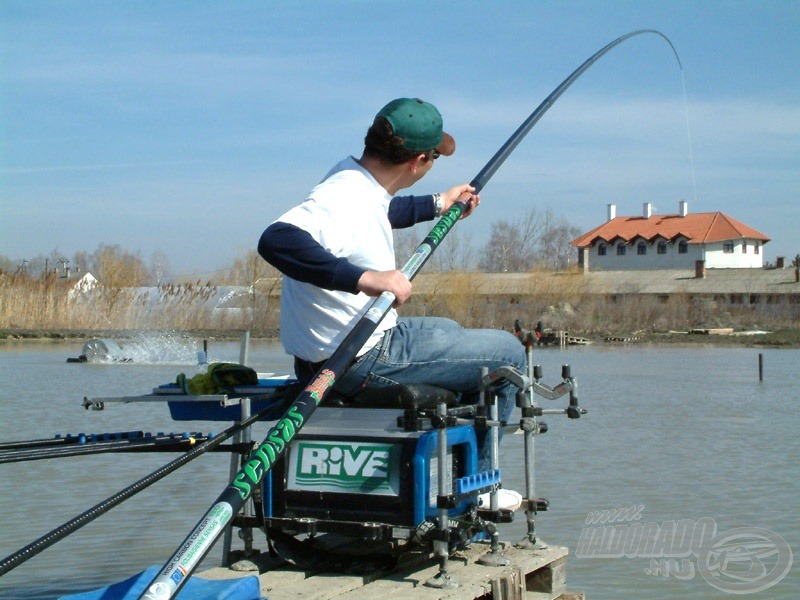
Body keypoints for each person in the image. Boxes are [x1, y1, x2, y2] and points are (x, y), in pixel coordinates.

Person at [258, 97, 526, 436]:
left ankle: (458, 439)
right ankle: (482, 481)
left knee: (451, 328)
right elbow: (276, 240)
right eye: (435, 157)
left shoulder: (352, 176)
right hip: (357, 360)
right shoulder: (344, 197)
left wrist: (439, 204)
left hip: (332, 352)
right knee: (509, 356)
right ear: (417, 161)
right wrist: (365, 279)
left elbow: (380, 212)